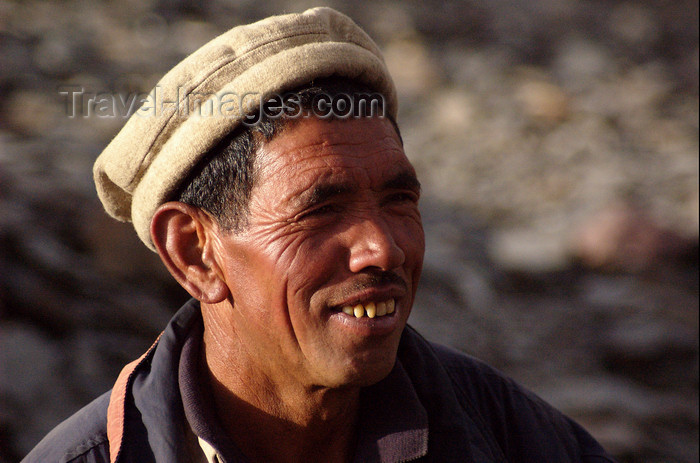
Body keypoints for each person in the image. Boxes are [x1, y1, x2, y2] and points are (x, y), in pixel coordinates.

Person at [23, 7, 617, 463]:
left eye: (399, 200)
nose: (384, 248)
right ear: (194, 252)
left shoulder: (510, 436)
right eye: (321, 210)